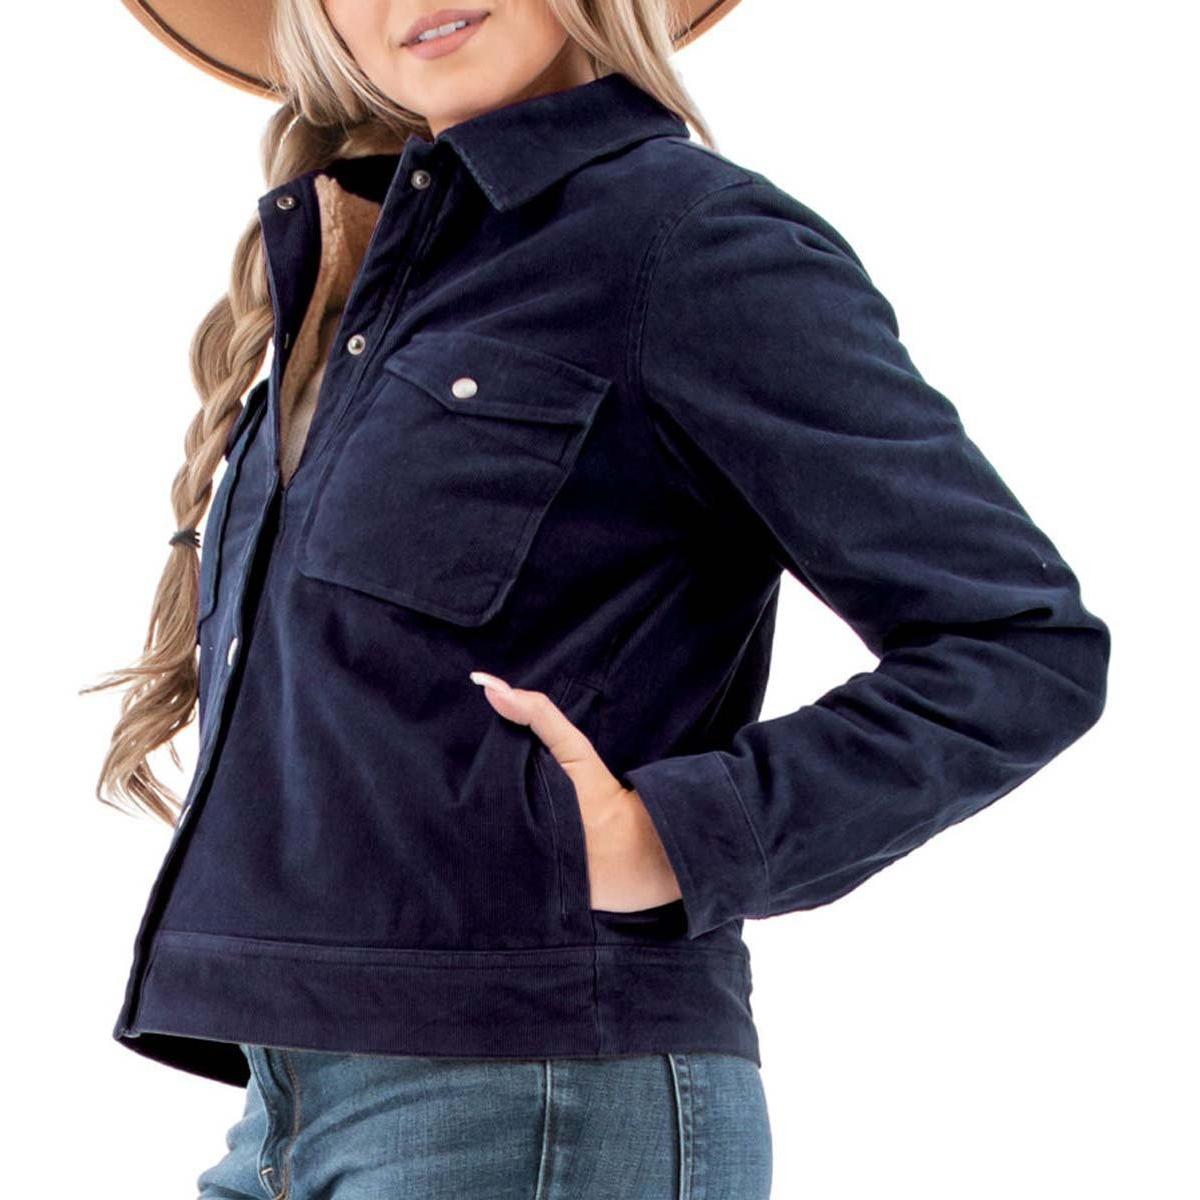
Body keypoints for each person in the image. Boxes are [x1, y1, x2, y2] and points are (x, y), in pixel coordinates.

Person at [89, 0, 1110, 1196]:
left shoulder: (690, 243)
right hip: (286, 1101)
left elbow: (1018, 645)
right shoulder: (369, 281)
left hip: (545, 1101)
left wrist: (675, 839)